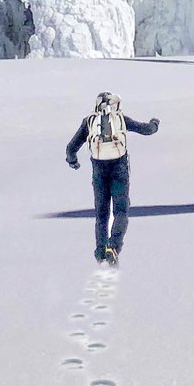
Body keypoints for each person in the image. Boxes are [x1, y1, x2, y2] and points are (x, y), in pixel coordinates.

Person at [65, 92, 160, 264]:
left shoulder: (89, 122)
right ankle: (113, 247)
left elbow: (71, 148)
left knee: (101, 214)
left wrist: (73, 162)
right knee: (121, 211)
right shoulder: (121, 119)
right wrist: (155, 123)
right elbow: (146, 130)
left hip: (98, 169)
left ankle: (100, 251)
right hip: (119, 168)